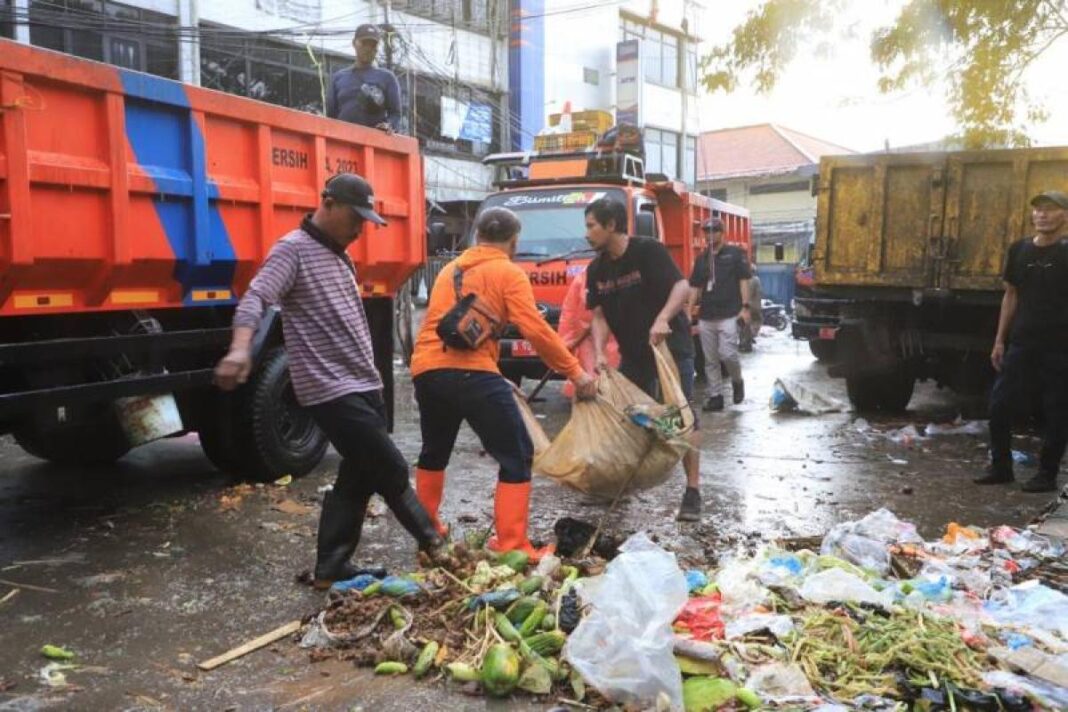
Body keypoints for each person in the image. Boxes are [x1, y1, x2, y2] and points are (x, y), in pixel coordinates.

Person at [214, 173, 444, 589]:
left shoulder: (339, 255)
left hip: (363, 383)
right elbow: (256, 297)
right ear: (328, 203)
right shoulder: (293, 251)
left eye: (366, 221)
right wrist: (239, 347)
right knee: (389, 466)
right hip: (329, 387)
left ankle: (332, 567)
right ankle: (438, 547)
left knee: (358, 474)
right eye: (355, 218)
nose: (360, 229)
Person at [410, 207, 597, 558]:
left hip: (428, 371)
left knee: (434, 451)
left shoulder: (450, 270)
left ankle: (428, 529)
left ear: (477, 236)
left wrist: (496, 376)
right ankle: (511, 543)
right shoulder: (508, 272)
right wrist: (576, 372)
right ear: (514, 241)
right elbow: (536, 330)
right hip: (473, 373)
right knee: (516, 455)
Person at [583, 197, 703, 522]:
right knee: (627, 416)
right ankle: (619, 485)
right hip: (634, 354)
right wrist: (598, 353)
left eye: (592, 225)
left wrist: (663, 318)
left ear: (611, 225)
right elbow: (599, 316)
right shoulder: (596, 269)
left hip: (669, 348)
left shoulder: (648, 251)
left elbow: (681, 286)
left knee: (680, 415)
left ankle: (692, 491)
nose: (587, 233)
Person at [975, 190, 1068, 493]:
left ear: (1064, 216)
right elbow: (1011, 295)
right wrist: (1000, 340)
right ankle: (1001, 467)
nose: (1042, 214)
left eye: (1050, 210)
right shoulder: (1019, 250)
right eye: (1038, 210)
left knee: (1057, 410)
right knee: (999, 404)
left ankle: (1047, 474)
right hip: (1022, 342)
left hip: (1060, 346)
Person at [689, 218, 752, 411]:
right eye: (706, 231)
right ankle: (716, 396)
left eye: (714, 230)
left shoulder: (735, 255)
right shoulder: (702, 259)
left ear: (722, 232)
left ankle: (737, 380)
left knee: (728, 354)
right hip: (707, 315)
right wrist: (689, 307)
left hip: (729, 313)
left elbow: (744, 281)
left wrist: (746, 307)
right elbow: (695, 286)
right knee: (710, 360)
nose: (709, 234)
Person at [325, 24, 402, 133]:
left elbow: (395, 114)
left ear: (377, 48)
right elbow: (330, 117)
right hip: (342, 142)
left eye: (372, 45)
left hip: (374, 143)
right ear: (354, 43)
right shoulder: (338, 78)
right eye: (364, 43)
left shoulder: (387, 78)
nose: (368, 48)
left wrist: (389, 126)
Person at [557, 267, 620, 397]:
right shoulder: (586, 276)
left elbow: (569, 314)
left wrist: (566, 343)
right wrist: (567, 343)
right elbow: (569, 313)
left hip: (612, 340)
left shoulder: (587, 276)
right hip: (588, 340)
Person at [739, 272, 764, 353]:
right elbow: (759, 293)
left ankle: (744, 342)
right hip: (754, 306)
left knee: (743, 325)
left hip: (744, 306)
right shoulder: (756, 280)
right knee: (752, 324)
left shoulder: (742, 280)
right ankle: (747, 342)